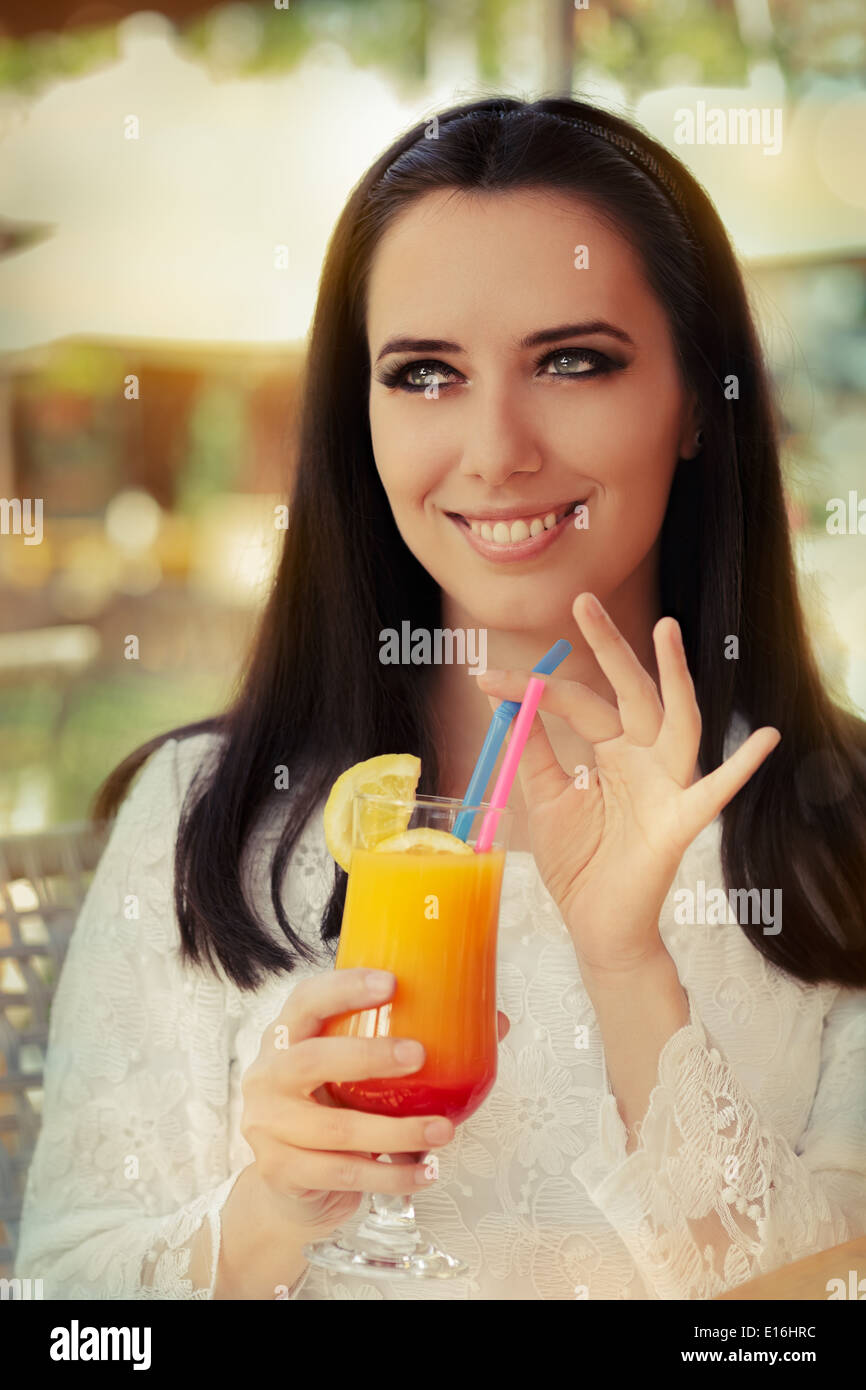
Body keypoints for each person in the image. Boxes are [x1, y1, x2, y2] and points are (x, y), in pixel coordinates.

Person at [15, 95, 866, 1301]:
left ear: (694, 402)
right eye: (423, 374)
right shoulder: (202, 816)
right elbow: (62, 1321)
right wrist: (266, 1216)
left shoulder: (840, 830)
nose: (493, 447)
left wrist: (627, 968)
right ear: (356, 417)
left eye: (571, 361)